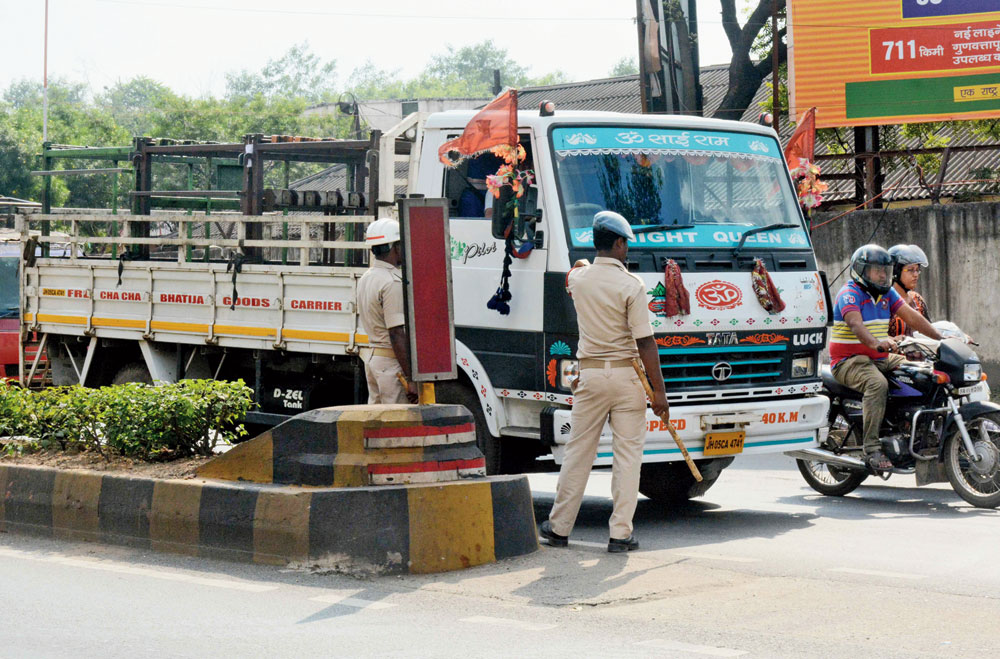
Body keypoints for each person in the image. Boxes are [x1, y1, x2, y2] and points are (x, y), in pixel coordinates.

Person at [539, 211, 669, 553]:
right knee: (627, 458)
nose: (628, 250)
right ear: (619, 243)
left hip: (590, 375)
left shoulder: (579, 280)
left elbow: (574, 271)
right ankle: (620, 534)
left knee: (578, 453)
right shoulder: (632, 286)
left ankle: (559, 527)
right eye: (627, 244)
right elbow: (645, 342)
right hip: (627, 377)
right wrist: (659, 393)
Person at [829, 244, 941, 471]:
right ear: (861, 270)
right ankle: (871, 448)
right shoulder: (849, 293)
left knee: (922, 372)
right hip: (848, 361)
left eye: (885, 270)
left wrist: (942, 339)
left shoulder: (887, 292)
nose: (882, 275)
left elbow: (913, 318)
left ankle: (911, 430)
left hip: (880, 357)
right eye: (876, 270)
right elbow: (855, 324)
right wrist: (875, 343)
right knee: (876, 384)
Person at [357, 218, 417, 404]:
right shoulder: (392, 282)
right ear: (395, 247)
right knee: (397, 426)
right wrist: (411, 378)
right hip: (392, 365)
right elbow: (396, 333)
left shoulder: (367, 277)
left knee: (376, 424)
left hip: (374, 359)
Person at [887, 244, 930, 338]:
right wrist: (892, 339)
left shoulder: (917, 299)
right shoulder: (883, 301)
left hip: (921, 351)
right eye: (910, 270)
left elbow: (930, 328)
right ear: (896, 272)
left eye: (917, 270)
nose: (916, 275)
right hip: (893, 352)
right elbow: (872, 336)